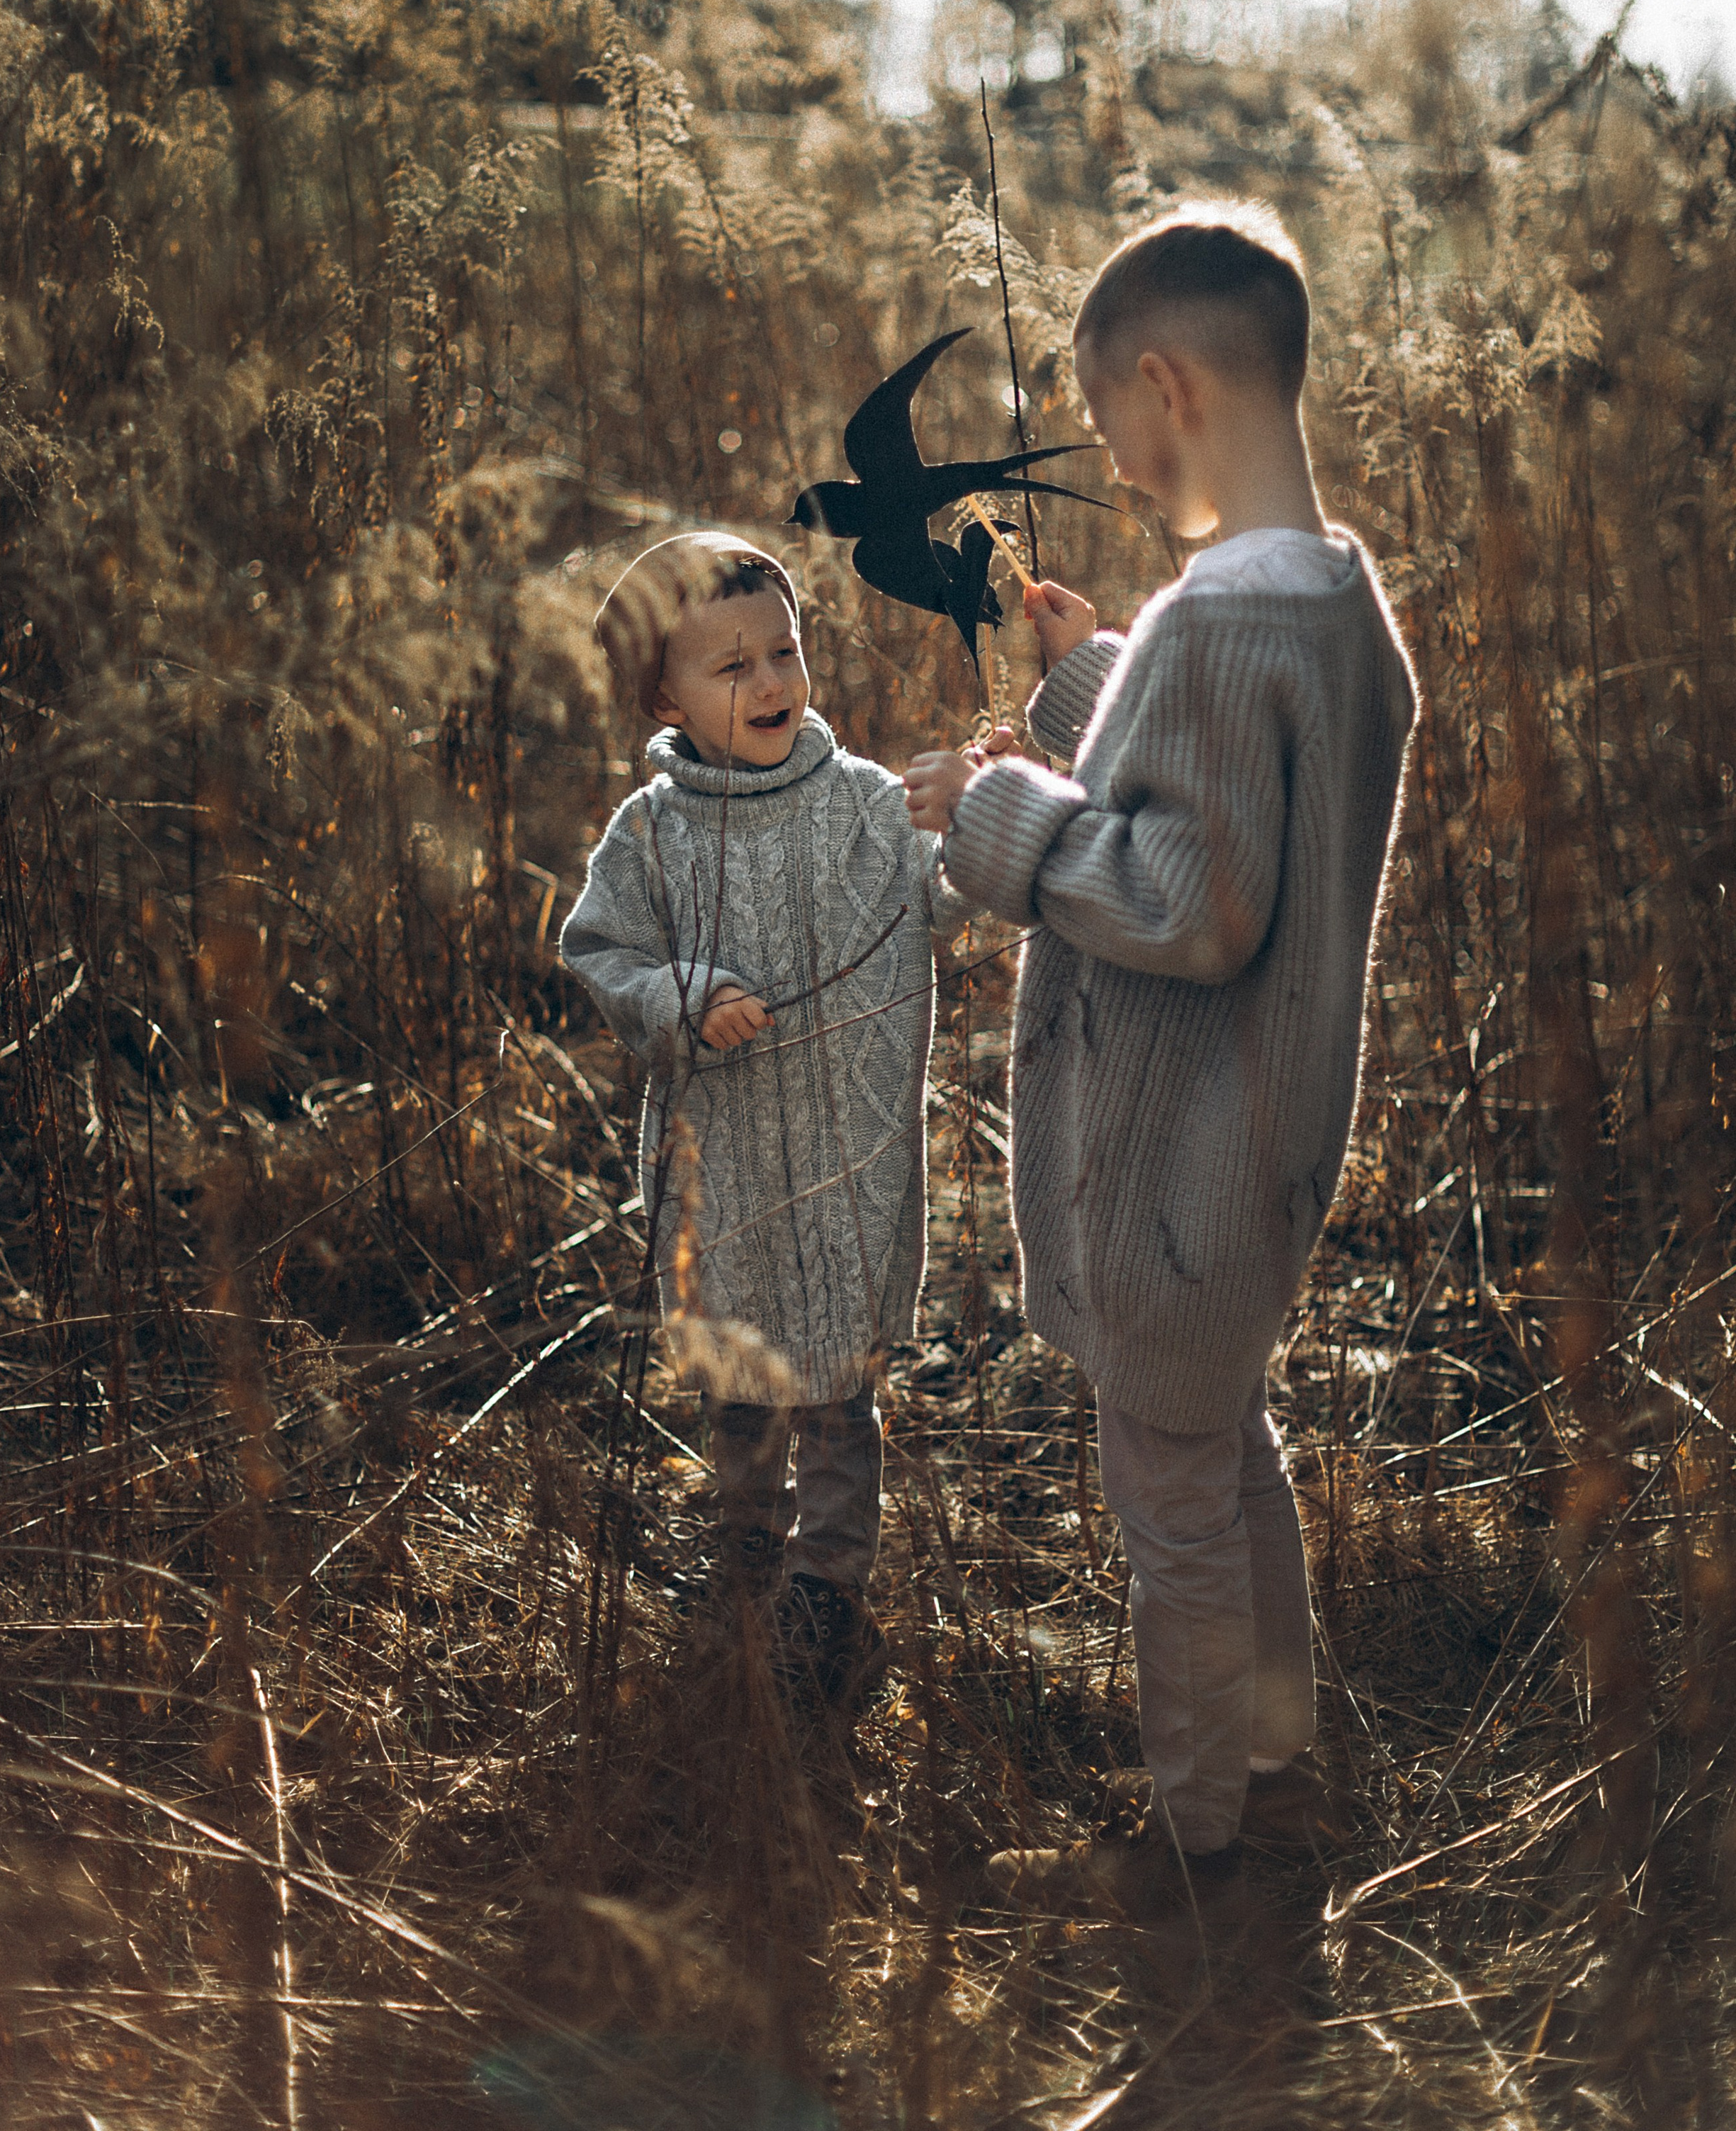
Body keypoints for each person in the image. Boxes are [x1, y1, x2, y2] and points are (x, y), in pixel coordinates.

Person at [903, 201, 1417, 1900]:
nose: (1114, 464)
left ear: (1166, 382)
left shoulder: (1219, 625)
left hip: (1174, 1167)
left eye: (1110, 422)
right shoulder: (1333, 613)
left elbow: (1190, 901)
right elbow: (1229, 779)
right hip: (1262, 1146)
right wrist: (1089, 688)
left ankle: (1203, 1849)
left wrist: (1004, 820)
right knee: (1220, 1460)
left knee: (1172, 1510)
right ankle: (1276, 1793)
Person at [561, 530, 963, 1708]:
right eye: (731, 669)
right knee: (742, 1381)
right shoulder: (652, 832)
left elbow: (955, 900)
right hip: (725, 1173)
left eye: (783, 651)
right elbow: (602, 953)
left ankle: (826, 1592)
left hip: (848, 1160)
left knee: (840, 1390)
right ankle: (745, 1554)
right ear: (664, 697)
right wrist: (682, 998)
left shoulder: (871, 808)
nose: (773, 684)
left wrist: (985, 811)